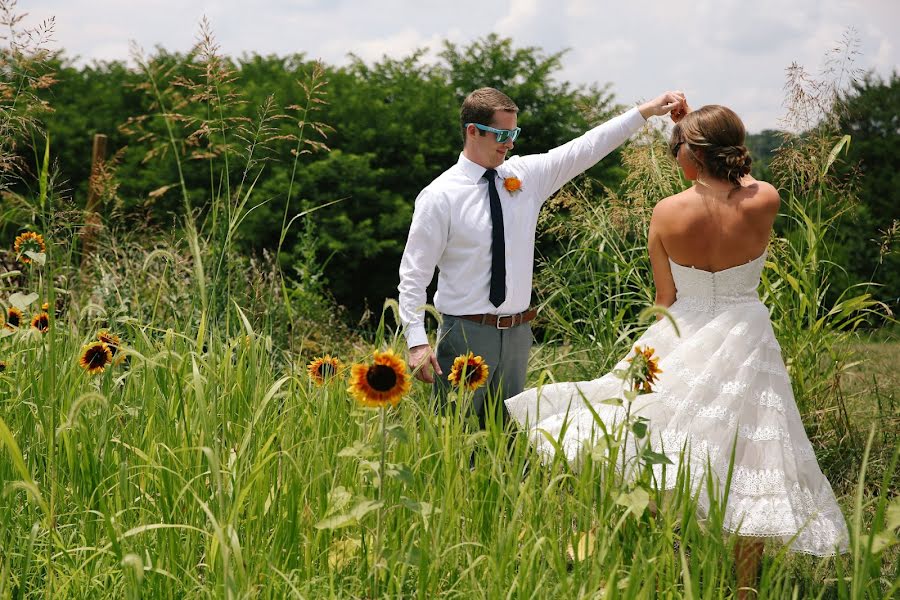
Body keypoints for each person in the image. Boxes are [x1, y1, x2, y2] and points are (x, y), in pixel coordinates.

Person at [504, 104, 849, 598]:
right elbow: (743, 180)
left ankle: (627, 551)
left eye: (678, 150)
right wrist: (700, 140)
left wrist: (685, 141)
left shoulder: (667, 211)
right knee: (753, 453)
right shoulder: (765, 200)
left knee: (644, 433)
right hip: (746, 332)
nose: (673, 158)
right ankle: (746, 587)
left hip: (681, 329)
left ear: (692, 154)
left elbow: (664, 299)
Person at [398, 87, 686, 429]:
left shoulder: (525, 176)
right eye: (502, 134)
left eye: (514, 133)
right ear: (472, 131)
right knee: (454, 434)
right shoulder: (439, 196)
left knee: (506, 436)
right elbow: (414, 275)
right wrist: (416, 340)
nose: (510, 143)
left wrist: (646, 111)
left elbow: (586, 147)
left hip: (519, 333)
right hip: (465, 333)